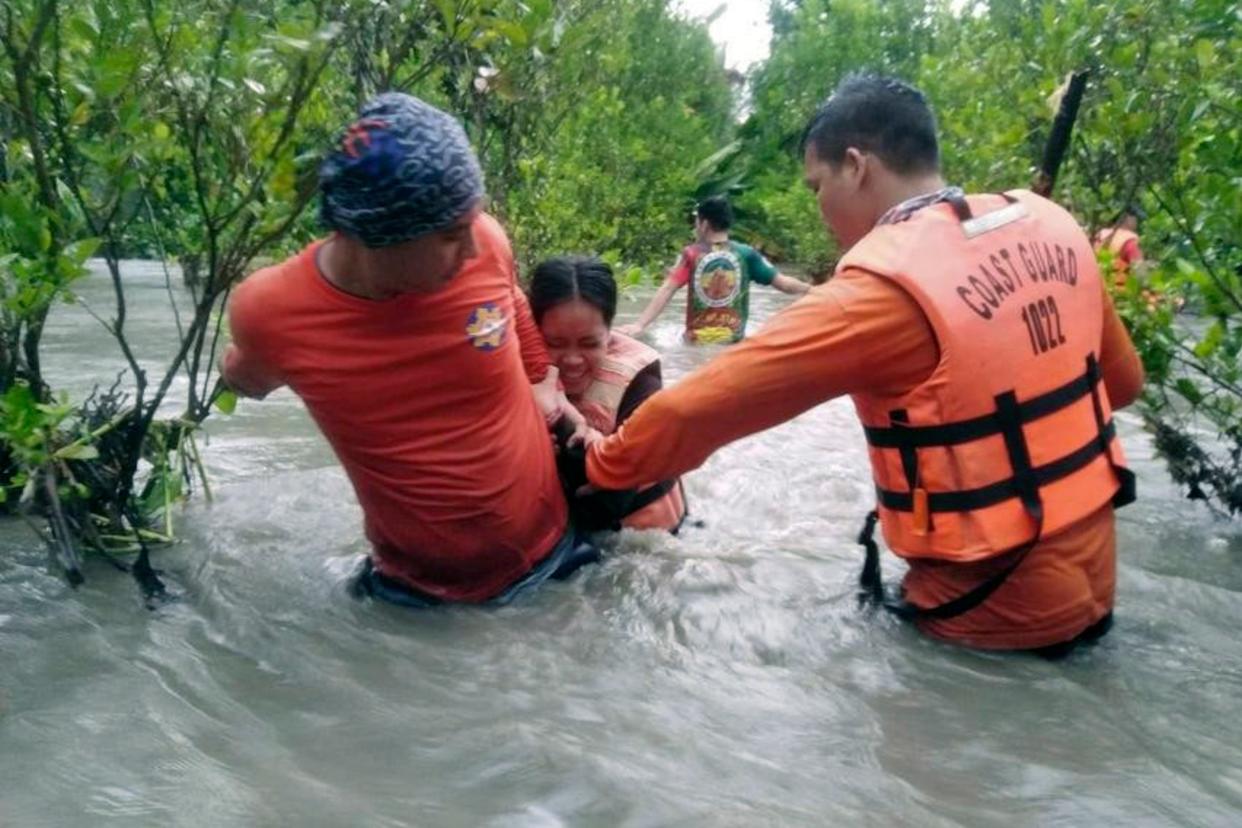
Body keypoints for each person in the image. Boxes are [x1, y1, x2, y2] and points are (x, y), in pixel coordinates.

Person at [585, 74, 1144, 655]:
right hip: (1095, 591)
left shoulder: (877, 294)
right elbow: (1122, 385)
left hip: (981, 620)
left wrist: (597, 464)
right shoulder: (1055, 227)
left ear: (856, 166)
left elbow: (690, 414)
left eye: (817, 185)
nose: (820, 207)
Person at [220, 92, 598, 608]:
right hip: (418, 597)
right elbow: (249, 377)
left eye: (472, 222)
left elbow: (510, 301)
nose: (471, 247)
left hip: (559, 555)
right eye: (450, 234)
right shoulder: (270, 312)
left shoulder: (485, 244)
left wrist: (542, 378)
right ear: (377, 235)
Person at [529, 256, 687, 533]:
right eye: (554, 343)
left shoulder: (640, 381)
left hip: (641, 536)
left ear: (610, 333)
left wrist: (558, 422)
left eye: (589, 343)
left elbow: (607, 503)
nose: (573, 360)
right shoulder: (516, 363)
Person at [618, 196, 809, 344]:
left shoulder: (691, 254)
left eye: (696, 222)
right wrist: (814, 290)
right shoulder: (746, 254)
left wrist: (639, 324)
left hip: (696, 343)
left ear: (705, 224)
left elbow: (668, 288)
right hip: (732, 342)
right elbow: (784, 283)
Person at [1092, 204, 1145, 289]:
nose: (1137, 223)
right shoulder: (1129, 241)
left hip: (1096, 288)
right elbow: (1141, 275)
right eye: (1136, 218)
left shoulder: (1100, 236)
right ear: (1128, 219)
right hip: (1117, 295)